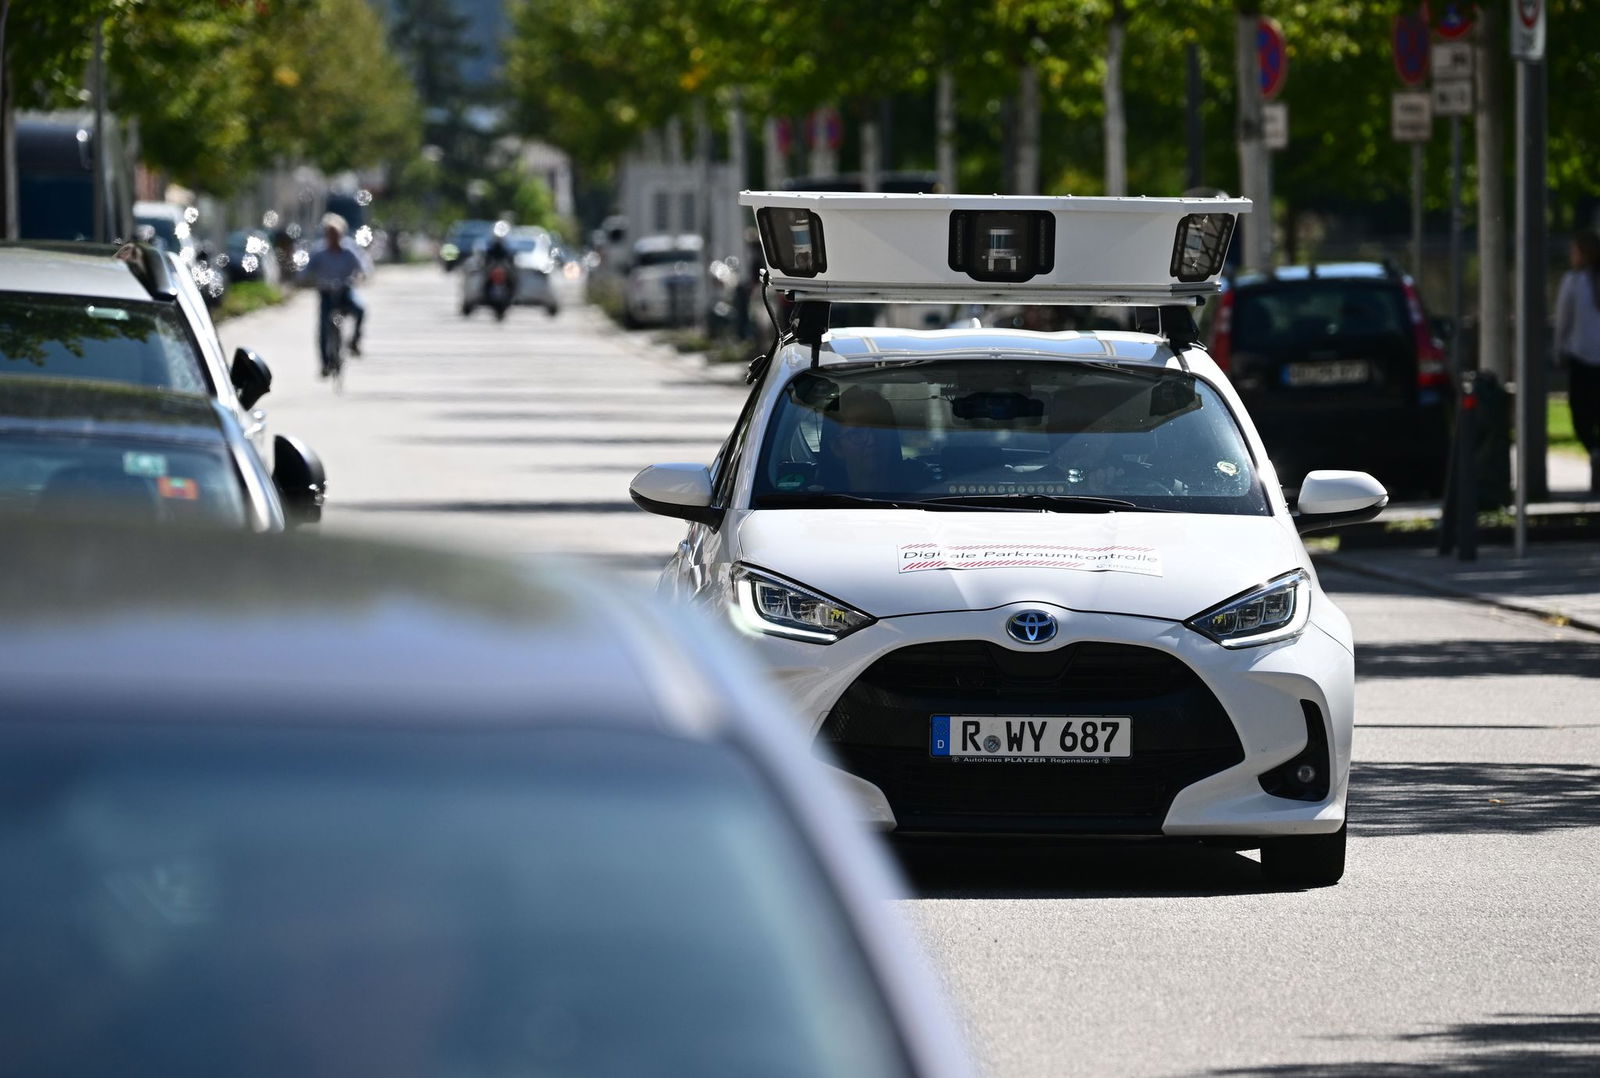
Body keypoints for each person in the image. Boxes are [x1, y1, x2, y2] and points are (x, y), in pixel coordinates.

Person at [1555, 230, 1600, 494]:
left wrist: (1559, 349)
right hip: (1587, 357)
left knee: (1581, 413)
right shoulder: (1578, 282)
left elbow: (1563, 319)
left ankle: (1594, 450)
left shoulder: (1573, 282)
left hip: (1581, 358)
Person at [300, 214, 371, 374]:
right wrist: (303, 279)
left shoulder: (349, 250)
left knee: (360, 309)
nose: (333, 238)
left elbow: (363, 266)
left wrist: (362, 276)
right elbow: (304, 271)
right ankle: (325, 363)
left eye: (336, 234)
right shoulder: (319, 251)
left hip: (345, 290)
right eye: (330, 234)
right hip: (326, 292)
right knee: (324, 325)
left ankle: (354, 341)